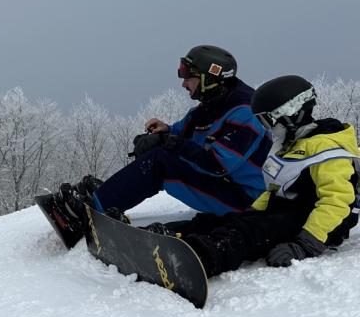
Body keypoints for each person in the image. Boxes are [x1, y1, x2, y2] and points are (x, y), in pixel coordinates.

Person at [44, 45, 271, 247]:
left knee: (161, 163)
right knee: (159, 153)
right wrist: (163, 132)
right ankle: (103, 198)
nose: (183, 84)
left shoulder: (246, 113)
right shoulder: (209, 107)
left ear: (208, 79)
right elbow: (180, 132)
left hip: (247, 200)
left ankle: (89, 212)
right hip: (225, 186)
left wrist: (168, 142)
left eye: (188, 77)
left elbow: (217, 164)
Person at [147, 75, 360, 276]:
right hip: (287, 213)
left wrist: (305, 244)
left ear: (290, 114)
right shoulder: (291, 145)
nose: (267, 130)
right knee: (221, 221)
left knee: (247, 232)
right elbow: (274, 190)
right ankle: (161, 235)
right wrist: (250, 212)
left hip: (315, 224)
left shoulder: (329, 150)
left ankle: (197, 259)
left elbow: (337, 202)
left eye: (268, 122)